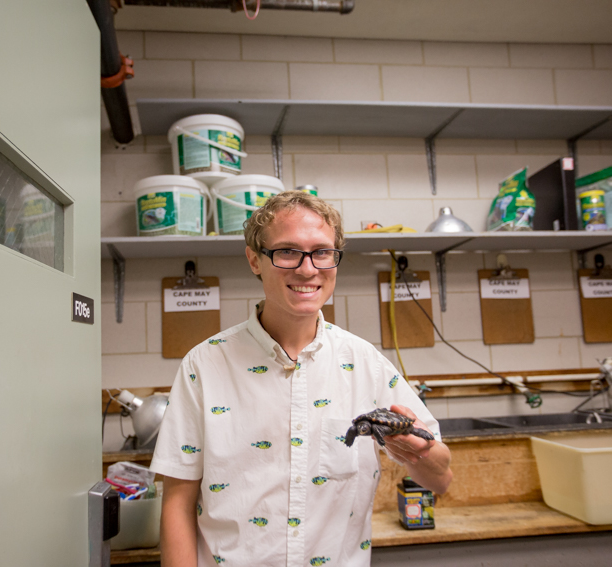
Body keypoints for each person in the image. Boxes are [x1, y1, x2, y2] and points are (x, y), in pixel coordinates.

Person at [150, 191, 452, 567]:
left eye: (322, 252)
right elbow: (177, 502)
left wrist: (419, 450)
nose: (308, 269)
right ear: (254, 260)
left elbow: (440, 480)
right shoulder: (204, 365)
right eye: (287, 251)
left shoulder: (366, 364)